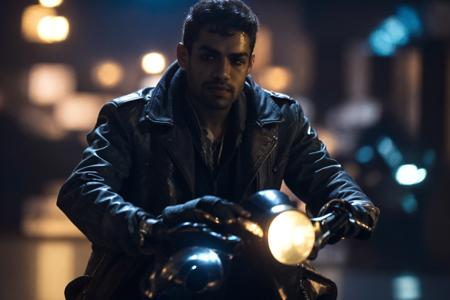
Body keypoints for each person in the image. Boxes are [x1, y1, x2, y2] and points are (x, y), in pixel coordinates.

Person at [57, 0, 379, 299]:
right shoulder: (129, 118)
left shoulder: (282, 119)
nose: (222, 73)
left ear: (250, 63)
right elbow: (81, 190)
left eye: (235, 59)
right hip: (151, 276)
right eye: (209, 56)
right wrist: (153, 229)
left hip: (254, 275)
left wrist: (344, 213)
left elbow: (326, 175)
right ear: (184, 56)